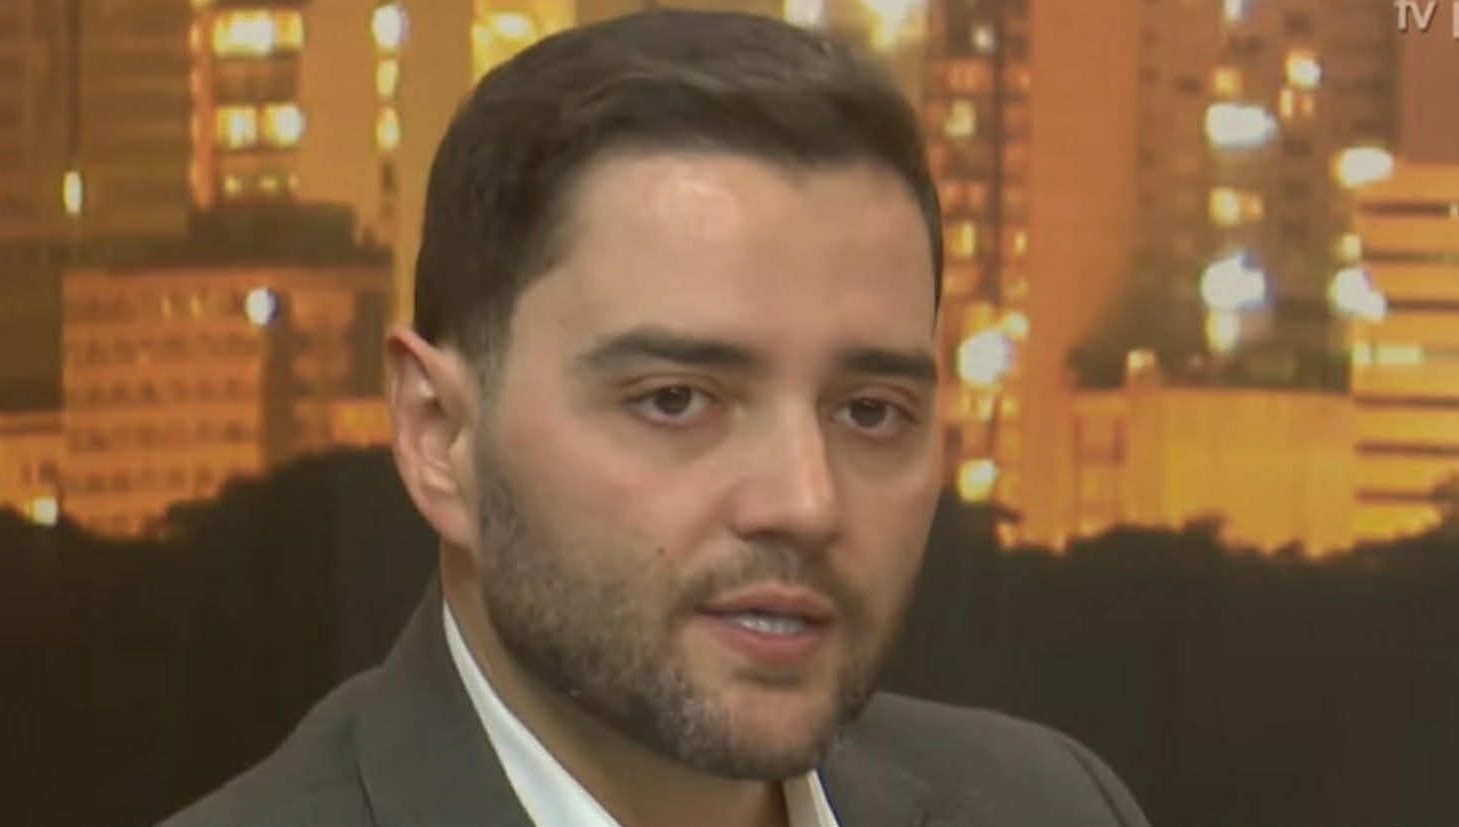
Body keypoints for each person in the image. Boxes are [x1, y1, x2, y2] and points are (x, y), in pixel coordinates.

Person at [160, 10, 1149, 827]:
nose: (805, 502)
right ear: (438, 437)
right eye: (675, 400)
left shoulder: (1050, 804)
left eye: (868, 410)